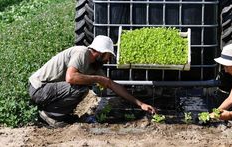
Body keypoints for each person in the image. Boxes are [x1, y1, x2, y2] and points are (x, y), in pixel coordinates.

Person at [28, 35, 156, 127]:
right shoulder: (82, 52)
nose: (108, 60)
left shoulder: (94, 65)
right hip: (39, 88)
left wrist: (140, 104)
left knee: (82, 86)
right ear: (101, 52)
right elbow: (70, 77)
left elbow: (110, 84)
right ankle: (51, 115)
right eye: (108, 56)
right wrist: (97, 78)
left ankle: (58, 113)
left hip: (49, 90)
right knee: (81, 88)